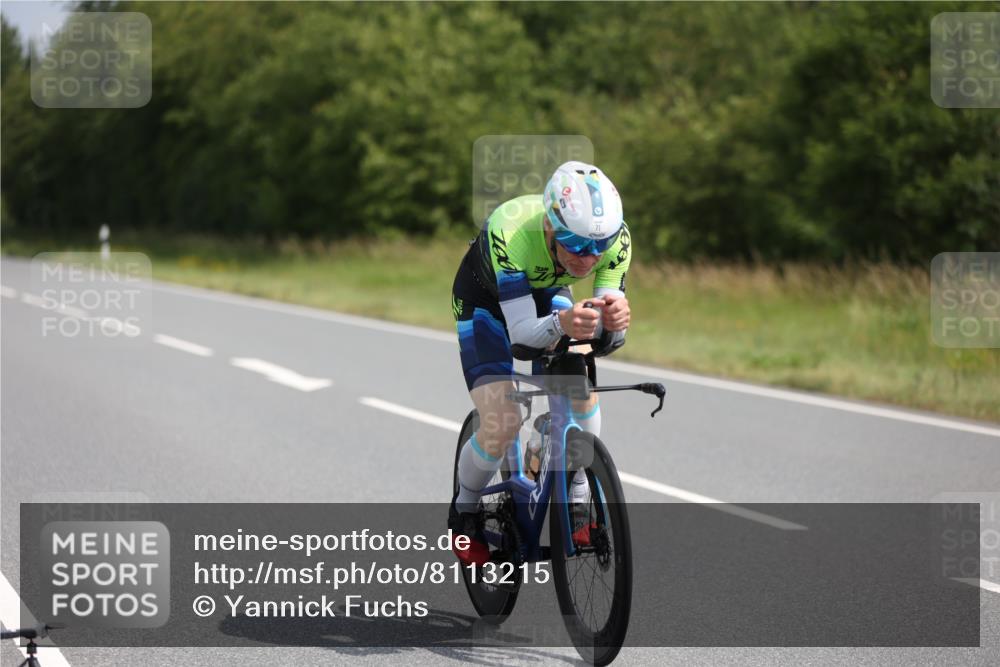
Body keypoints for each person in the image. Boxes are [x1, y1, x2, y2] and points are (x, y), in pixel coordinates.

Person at [449, 160, 632, 566]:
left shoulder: (613, 240)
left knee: (579, 385)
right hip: (487, 304)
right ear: (550, 225)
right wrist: (563, 322)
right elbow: (521, 338)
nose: (588, 259)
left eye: (597, 248)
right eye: (575, 244)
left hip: (549, 293)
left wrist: (612, 325)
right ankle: (464, 511)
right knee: (503, 420)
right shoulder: (512, 230)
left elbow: (606, 332)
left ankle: (578, 488)